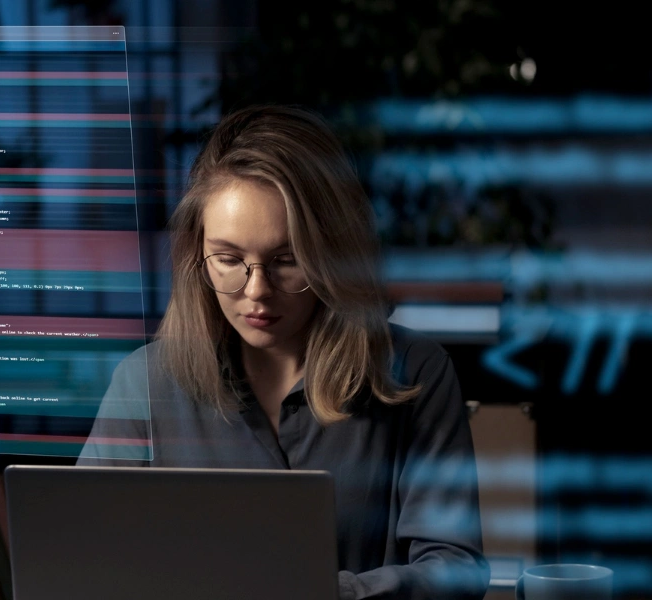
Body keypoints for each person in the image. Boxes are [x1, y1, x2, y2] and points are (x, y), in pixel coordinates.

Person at [77, 105, 490, 600]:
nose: (256, 290)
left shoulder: (414, 373)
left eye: (287, 260)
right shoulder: (142, 386)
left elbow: (455, 566)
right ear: (197, 256)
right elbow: (87, 561)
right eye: (229, 260)